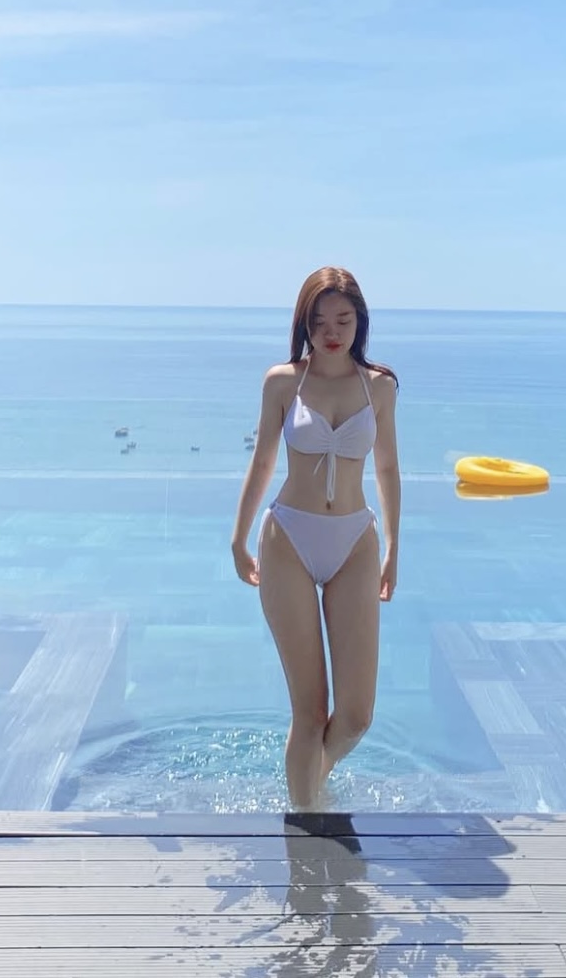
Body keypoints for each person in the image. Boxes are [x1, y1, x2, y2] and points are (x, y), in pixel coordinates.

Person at [231, 267, 401, 808]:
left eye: (343, 320)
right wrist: (238, 538)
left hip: (355, 541)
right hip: (289, 539)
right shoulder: (284, 382)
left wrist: (394, 546)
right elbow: (262, 461)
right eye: (320, 321)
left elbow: (388, 468)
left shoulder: (379, 386)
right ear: (304, 323)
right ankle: (306, 824)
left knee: (355, 715)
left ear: (360, 322)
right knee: (310, 711)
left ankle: (309, 784)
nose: (331, 332)